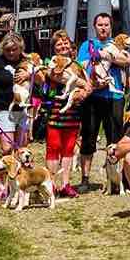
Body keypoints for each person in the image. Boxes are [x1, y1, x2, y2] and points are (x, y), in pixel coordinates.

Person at [77, 11, 130, 193]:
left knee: (115, 139)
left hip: (114, 96)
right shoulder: (87, 45)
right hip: (93, 96)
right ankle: (85, 178)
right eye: (100, 25)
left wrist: (104, 55)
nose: (103, 28)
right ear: (94, 26)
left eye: (106, 25)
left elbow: (126, 60)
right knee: (89, 136)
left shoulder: (117, 43)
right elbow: (82, 65)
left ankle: (117, 179)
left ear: (111, 26)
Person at [35, 29, 90, 196]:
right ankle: (51, 183)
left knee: (69, 148)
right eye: (59, 44)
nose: (63, 46)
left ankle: (65, 183)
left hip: (73, 112)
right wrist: (81, 83)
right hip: (55, 111)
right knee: (53, 147)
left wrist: (84, 92)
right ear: (54, 47)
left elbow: (89, 86)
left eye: (65, 42)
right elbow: (57, 77)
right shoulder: (50, 63)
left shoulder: (78, 65)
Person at [0, 31, 26, 179]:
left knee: (21, 149)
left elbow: (40, 79)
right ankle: (2, 183)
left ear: (20, 49)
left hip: (23, 109)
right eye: (8, 50)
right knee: (7, 148)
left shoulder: (26, 62)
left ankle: (20, 181)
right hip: (3, 108)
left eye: (14, 49)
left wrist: (28, 74)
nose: (11, 53)